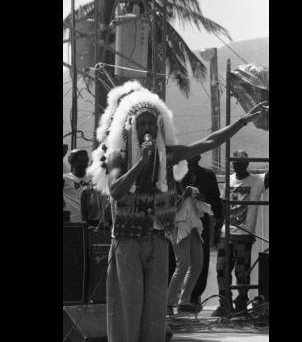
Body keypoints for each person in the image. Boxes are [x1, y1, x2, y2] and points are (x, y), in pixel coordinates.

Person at [87, 83, 268, 342]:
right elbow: (116, 190)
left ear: (159, 127)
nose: (148, 129)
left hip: (159, 240)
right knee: (128, 306)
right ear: (130, 127)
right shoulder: (119, 156)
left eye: (152, 124)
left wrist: (242, 121)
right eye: (142, 123)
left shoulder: (168, 155)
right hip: (128, 242)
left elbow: (209, 141)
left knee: (154, 309)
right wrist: (141, 162)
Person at [212, 150, 269, 317]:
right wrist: (218, 229)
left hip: (244, 235)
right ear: (233, 164)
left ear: (247, 164)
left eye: (242, 162)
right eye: (236, 163)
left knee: (241, 271)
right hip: (226, 234)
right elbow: (224, 206)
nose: (238, 165)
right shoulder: (229, 180)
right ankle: (224, 304)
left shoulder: (256, 181)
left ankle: (241, 303)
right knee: (222, 269)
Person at [174, 156, 223, 309]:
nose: (190, 159)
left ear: (200, 157)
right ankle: (171, 300)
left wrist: (204, 199)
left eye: (194, 155)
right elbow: (171, 203)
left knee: (199, 261)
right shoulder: (177, 174)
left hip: (199, 222)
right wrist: (186, 195)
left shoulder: (208, 175)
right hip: (180, 222)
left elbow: (216, 201)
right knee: (181, 262)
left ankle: (191, 297)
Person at [167, 185, 212, 315]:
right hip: (178, 225)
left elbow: (200, 210)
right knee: (183, 264)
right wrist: (184, 197)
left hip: (193, 225)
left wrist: (201, 199)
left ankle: (184, 301)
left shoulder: (192, 187)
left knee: (197, 264)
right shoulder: (169, 182)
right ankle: (169, 303)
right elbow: (167, 211)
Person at [63, 149, 91, 223]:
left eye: (85, 161)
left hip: (89, 224)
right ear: (72, 163)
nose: (83, 164)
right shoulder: (65, 179)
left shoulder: (92, 179)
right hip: (70, 223)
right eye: (80, 161)